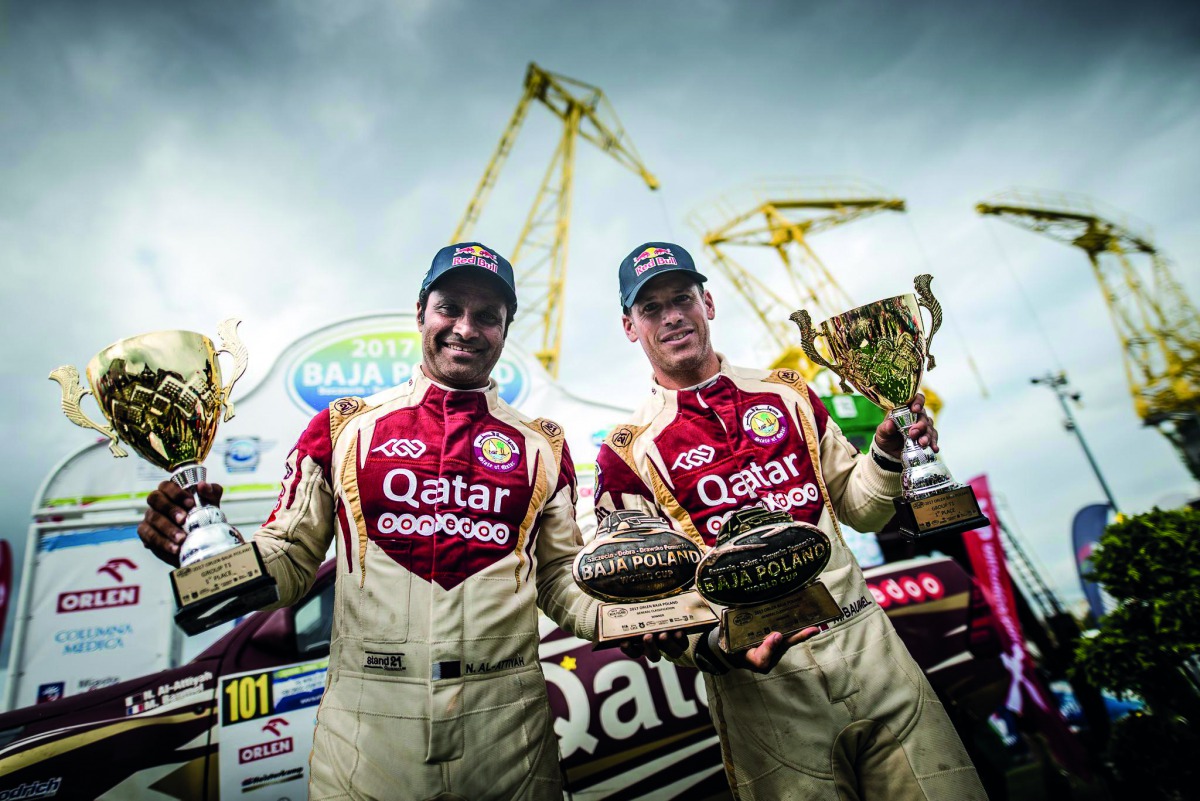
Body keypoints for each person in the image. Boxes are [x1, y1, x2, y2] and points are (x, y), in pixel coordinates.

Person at [139, 243, 597, 800]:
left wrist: (642, 616)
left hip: (508, 726)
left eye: (488, 317)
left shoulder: (542, 444)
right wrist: (205, 555)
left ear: (505, 330)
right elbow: (288, 562)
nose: (466, 328)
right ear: (421, 312)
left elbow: (561, 581)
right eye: (450, 307)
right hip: (367, 727)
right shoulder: (341, 428)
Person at [594, 241, 987, 800]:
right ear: (630, 327)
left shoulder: (790, 393)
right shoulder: (624, 451)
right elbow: (652, 599)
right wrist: (712, 649)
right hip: (761, 681)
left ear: (708, 301)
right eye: (651, 308)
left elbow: (862, 510)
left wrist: (887, 451)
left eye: (682, 298)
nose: (673, 316)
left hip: (866, 645)